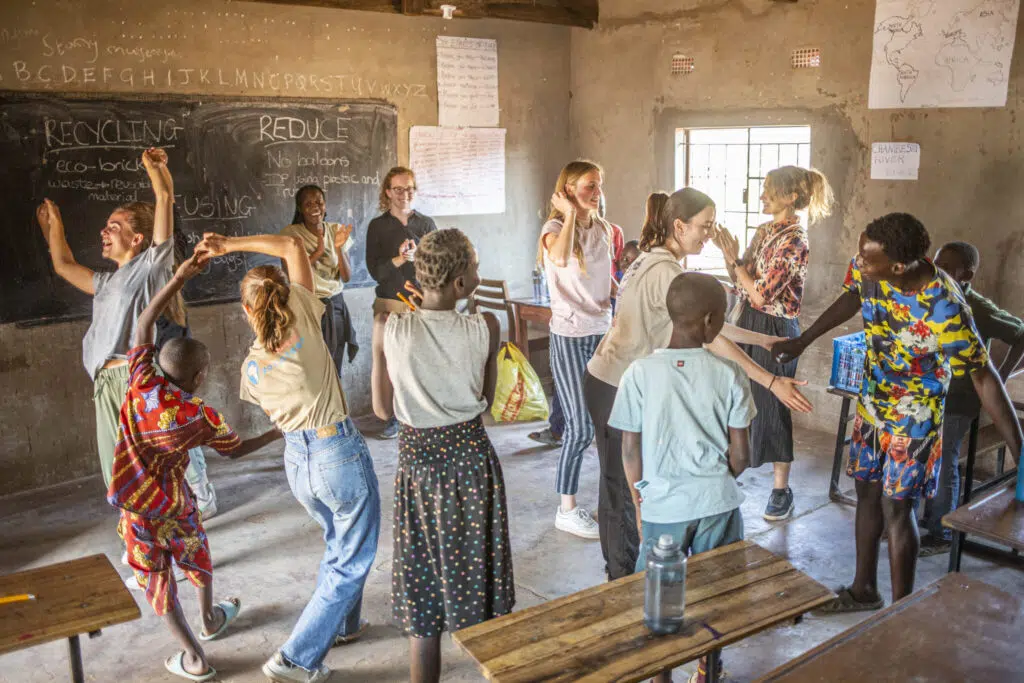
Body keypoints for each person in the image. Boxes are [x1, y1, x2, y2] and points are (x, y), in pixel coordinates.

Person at [772, 213, 1024, 610]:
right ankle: (863, 591)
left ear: (900, 266)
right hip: (873, 402)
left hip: (916, 415)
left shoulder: (945, 305)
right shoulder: (870, 266)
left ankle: (901, 613)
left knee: (897, 506)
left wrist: (1020, 448)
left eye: (868, 260)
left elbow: (984, 377)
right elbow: (853, 295)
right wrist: (803, 341)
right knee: (866, 491)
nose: (859, 263)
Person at [585, 189, 813, 580]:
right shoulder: (667, 273)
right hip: (616, 383)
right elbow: (710, 335)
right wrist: (770, 381)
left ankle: (621, 575)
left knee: (618, 488)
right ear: (679, 225)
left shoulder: (654, 260)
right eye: (704, 227)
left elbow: (712, 325)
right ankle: (624, 583)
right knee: (626, 494)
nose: (709, 234)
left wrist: (764, 340)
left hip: (606, 378)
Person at [197, 232, 380, 683]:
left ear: (245, 312)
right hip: (337, 451)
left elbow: (274, 411)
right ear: (288, 294)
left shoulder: (251, 370)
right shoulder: (304, 312)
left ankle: (346, 624)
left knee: (341, 543)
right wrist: (228, 244)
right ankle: (296, 658)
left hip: (298, 463)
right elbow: (293, 247)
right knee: (352, 556)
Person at [108, 252, 281, 682]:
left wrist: (179, 277)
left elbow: (145, 320)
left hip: (137, 509)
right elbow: (236, 451)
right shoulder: (199, 416)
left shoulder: (140, 381)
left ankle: (194, 656)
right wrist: (276, 433)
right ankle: (208, 617)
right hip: (175, 503)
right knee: (195, 554)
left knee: (157, 581)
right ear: (200, 376)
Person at [371, 229, 513, 683]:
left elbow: (379, 409)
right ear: (460, 284)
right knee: (480, 585)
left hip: (417, 470)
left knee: (424, 589)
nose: (478, 271)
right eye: (473, 265)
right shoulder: (485, 327)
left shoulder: (390, 328)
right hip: (471, 465)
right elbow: (487, 400)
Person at [611, 272, 755, 683]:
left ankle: (660, 675)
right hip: (718, 505)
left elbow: (629, 449)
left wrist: (642, 500)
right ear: (710, 321)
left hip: (663, 506)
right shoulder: (729, 374)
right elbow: (741, 458)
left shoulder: (639, 373)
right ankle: (708, 669)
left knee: (660, 600)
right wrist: (714, 477)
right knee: (715, 596)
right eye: (723, 316)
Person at [715, 166, 834, 521]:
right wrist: (731, 256)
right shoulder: (765, 230)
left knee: (773, 402)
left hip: (776, 327)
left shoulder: (795, 239)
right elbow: (739, 282)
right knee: (738, 393)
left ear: (792, 197)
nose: (762, 196)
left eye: (770, 191)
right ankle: (731, 468)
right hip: (748, 320)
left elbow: (762, 292)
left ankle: (781, 489)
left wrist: (737, 264)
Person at [921, 241, 1024, 554]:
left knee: (943, 459)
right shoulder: (932, 297)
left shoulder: (978, 307)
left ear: (966, 274)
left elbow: (1021, 334)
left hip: (960, 398)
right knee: (925, 457)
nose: (937, 271)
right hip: (931, 393)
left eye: (946, 267)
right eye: (935, 263)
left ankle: (942, 532)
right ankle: (922, 520)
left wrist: (1001, 375)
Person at [540, 160, 614, 539]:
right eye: (588, 186)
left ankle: (613, 499)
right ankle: (565, 509)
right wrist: (569, 213)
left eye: (598, 185)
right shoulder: (554, 229)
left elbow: (605, 282)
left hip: (603, 332)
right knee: (580, 426)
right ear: (568, 190)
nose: (596, 192)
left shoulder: (602, 228)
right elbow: (560, 258)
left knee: (610, 422)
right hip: (570, 336)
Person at [365, 166, 437, 440]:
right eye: (398, 189)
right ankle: (393, 418)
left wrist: (419, 256)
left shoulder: (427, 224)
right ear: (388, 192)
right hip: (389, 304)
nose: (404, 194)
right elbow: (374, 271)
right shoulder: (377, 226)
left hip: (421, 304)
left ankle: (417, 415)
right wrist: (398, 259)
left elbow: (437, 264)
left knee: (418, 363)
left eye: (409, 188)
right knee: (391, 364)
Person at [280, 184, 359, 376]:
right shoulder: (290, 234)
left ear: (325, 205)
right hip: (308, 309)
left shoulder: (336, 230)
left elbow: (347, 277)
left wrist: (338, 247)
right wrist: (319, 251)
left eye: (319, 202)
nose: (315, 207)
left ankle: (335, 404)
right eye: (308, 203)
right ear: (300, 208)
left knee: (334, 368)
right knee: (313, 370)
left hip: (336, 307)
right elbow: (290, 275)